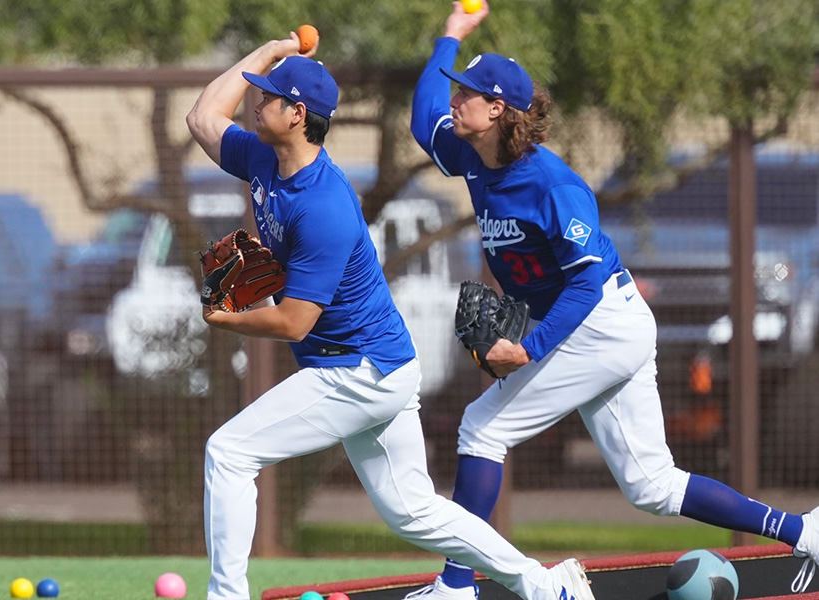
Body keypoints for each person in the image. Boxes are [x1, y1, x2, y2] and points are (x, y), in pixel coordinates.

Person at [406, 1, 819, 598]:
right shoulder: (472, 154)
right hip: (602, 325)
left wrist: (531, 348)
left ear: (496, 109)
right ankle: (802, 530)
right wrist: (450, 35)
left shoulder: (554, 186)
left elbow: (584, 283)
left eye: (466, 93)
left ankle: (455, 585)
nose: (455, 99)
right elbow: (423, 120)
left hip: (598, 322)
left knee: (480, 430)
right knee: (651, 486)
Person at [186, 31, 597, 600]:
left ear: (298, 114)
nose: (255, 101)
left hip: (356, 371)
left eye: (269, 95)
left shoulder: (323, 205)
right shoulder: (263, 157)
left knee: (229, 452)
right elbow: (204, 116)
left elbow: (293, 323)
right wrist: (268, 54)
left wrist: (226, 318)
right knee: (415, 513)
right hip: (383, 365)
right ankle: (549, 586)